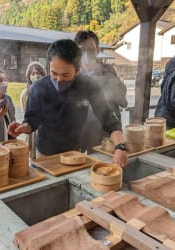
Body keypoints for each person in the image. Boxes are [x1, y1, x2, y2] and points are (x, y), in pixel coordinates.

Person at [8, 39, 128, 167]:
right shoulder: (38, 87)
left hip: (75, 154)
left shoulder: (88, 86)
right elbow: (32, 120)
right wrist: (23, 127)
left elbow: (108, 119)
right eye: (54, 73)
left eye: (65, 75)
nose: (59, 80)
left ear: (77, 70)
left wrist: (120, 147)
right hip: (45, 155)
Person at [74, 30, 128, 152]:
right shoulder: (73, 74)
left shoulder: (108, 70)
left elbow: (122, 100)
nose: (87, 54)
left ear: (97, 50)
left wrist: (114, 87)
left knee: (101, 164)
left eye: (91, 49)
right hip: (80, 129)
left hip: (103, 129)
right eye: (82, 50)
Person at [20, 62, 47, 159]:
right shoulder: (25, 93)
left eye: (39, 73)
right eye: (33, 74)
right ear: (28, 76)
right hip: (32, 130)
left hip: (46, 130)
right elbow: (25, 115)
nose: (36, 76)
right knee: (33, 158)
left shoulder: (49, 90)